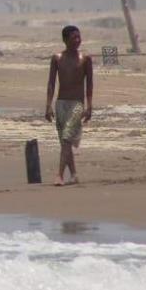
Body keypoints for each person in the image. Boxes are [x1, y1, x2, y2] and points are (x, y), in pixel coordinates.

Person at [45, 24, 94, 186]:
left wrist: (89, 106)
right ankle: (73, 175)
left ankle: (59, 175)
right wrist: (48, 105)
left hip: (77, 105)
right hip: (61, 104)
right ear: (65, 40)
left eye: (79, 37)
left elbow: (90, 85)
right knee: (64, 142)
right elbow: (51, 84)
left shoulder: (85, 59)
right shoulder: (57, 58)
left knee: (66, 139)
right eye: (74, 38)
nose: (77, 40)